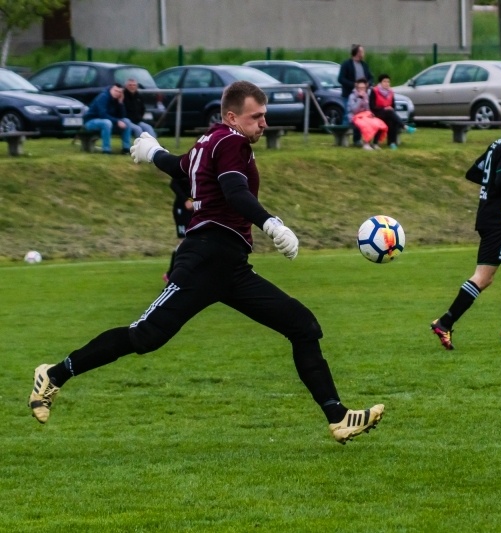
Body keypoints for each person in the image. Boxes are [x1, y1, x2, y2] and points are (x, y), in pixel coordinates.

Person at [28, 81, 384, 444]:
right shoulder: (232, 142)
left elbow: (181, 167)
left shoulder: (209, 141)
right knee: (145, 335)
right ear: (232, 116)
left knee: (302, 325)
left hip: (230, 266)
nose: (263, 123)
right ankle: (54, 375)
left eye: (265, 116)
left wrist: (154, 153)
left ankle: (339, 417)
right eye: (256, 117)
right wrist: (271, 223)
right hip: (203, 259)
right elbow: (234, 190)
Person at [430, 104, 501, 350]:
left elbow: (473, 173)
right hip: (498, 221)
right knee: (484, 277)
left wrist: (493, 185)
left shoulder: (496, 145)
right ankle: (444, 323)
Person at [338, 44, 373, 146]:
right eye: (362, 51)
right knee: (347, 116)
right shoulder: (346, 64)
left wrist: (368, 84)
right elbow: (341, 79)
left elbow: (371, 77)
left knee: (360, 117)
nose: (363, 53)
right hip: (349, 95)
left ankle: (357, 140)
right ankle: (343, 139)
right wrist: (353, 85)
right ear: (357, 53)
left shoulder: (364, 65)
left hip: (362, 96)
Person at [369, 73, 416, 150]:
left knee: (392, 120)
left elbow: (393, 106)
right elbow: (372, 106)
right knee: (390, 113)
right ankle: (405, 127)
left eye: (388, 82)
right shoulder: (374, 91)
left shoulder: (391, 92)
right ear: (380, 82)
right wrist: (384, 108)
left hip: (388, 114)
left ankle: (392, 143)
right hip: (377, 113)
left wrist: (389, 108)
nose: (387, 83)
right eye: (385, 81)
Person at [83, 84, 131, 154]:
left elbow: (122, 116)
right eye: (115, 90)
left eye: (119, 92)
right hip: (90, 121)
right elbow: (103, 115)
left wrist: (121, 103)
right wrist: (117, 121)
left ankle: (126, 149)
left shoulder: (116, 100)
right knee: (106, 122)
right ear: (111, 89)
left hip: (108, 121)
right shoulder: (103, 97)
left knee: (127, 121)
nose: (117, 93)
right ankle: (106, 150)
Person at [163, 172, 193, 283]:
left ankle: (187, 273)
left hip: (194, 209)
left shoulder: (203, 167)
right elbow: (173, 184)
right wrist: (185, 200)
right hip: (182, 210)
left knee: (194, 240)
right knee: (183, 241)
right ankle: (170, 274)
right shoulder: (185, 166)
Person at [347, 78, 388, 151]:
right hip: (355, 117)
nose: (362, 89)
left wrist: (370, 113)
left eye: (363, 88)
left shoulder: (366, 95)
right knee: (365, 125)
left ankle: (375, 143)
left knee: (379, 123)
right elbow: (354, 110)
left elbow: (367, 108)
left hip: (365, 116)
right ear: (357, 87)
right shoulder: (352, 96)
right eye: (360, 88)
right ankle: (366, 143)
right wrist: (360, 98)